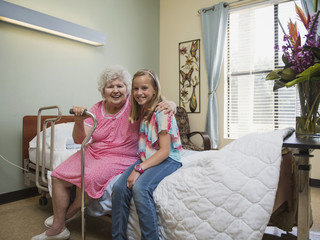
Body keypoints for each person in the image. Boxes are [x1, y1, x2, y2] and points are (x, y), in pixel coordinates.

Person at [31, 65, 176, 240]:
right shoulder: (96, 109)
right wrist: (78, 121)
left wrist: (172, 104)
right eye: (110, 87)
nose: (115, 90)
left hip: (122, 156)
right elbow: (79, 140)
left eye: (120, 86)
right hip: (94, 151)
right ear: (103, 90)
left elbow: (154, 102)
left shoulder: (135, 104)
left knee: (90, 177)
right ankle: (60, 227)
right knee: (57, 176)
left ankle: (66, 216)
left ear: (126, 89)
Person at [111, 69, 182, 240]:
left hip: (168, 159)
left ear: (155, 90)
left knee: (141, 188)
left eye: (144, 88)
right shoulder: (144, 110)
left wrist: (139, 168)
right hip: (149, 157)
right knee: (119, 188)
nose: (139, 93)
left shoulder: (161, 112)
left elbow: (165, 151)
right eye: (135, 89)